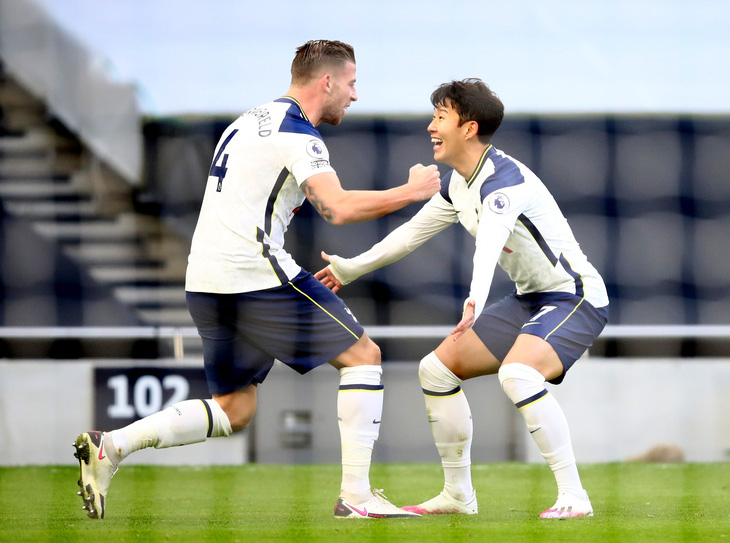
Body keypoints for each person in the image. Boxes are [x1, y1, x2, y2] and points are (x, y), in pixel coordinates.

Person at [73, 39, 441, 520]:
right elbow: (337, 207)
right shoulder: (298, 133)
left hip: (206, 280)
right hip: (253, 274)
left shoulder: (248, 119)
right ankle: (356, 496)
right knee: (363, 355)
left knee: (235, 407)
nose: (354, 96)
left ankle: (112, 446)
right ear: (326, 81)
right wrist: (411, 191)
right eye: (351, 83)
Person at [316, 78, 609, 519]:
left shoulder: (503, 183)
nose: (431, 126)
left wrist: (474, 300)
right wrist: (350, 268)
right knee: (435, 371)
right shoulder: (459, 182)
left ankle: (574, 496)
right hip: (532, 298)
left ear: (468, 128)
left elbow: (488, 245)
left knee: (518, 375)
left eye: (440, 117)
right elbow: (412, 235)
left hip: (576, 297)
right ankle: (458, 496)